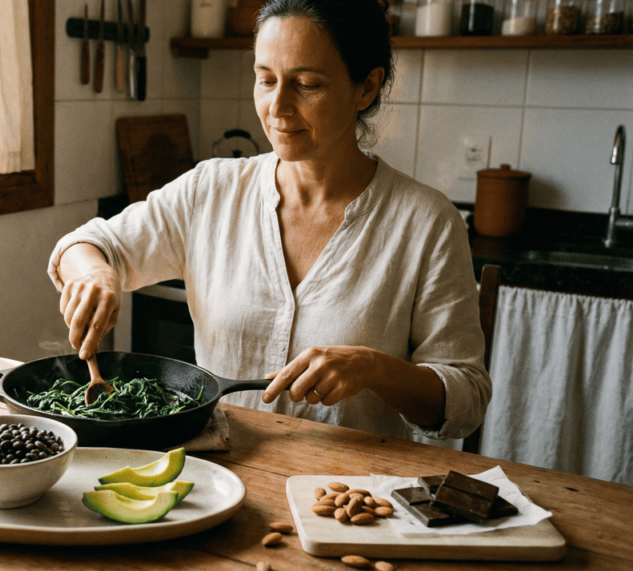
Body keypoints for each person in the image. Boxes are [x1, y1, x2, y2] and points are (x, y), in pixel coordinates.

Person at [46, 0, 491, 442]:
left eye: (306, 84)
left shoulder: (426, 222)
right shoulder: (211, 191)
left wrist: (374, 368)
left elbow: (465, 401)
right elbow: (87, 243)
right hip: (216, 479)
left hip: (348, 496)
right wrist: (95, 272)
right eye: (265, 80)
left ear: (366, 88)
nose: (277, 107)